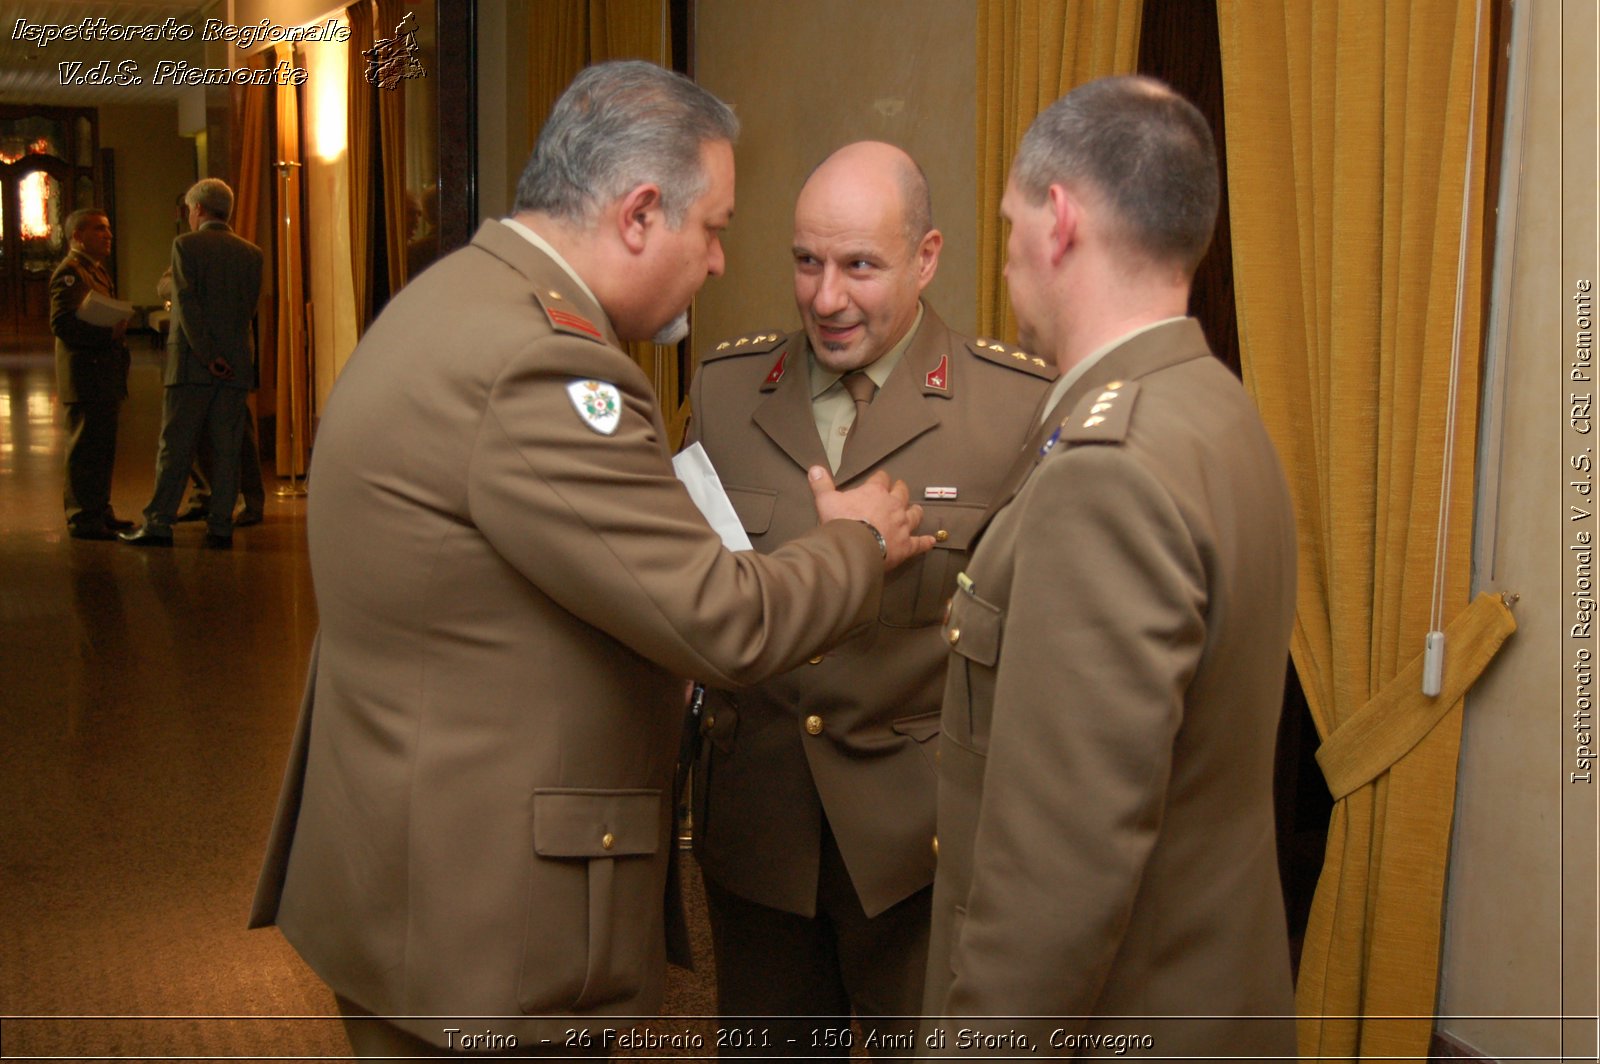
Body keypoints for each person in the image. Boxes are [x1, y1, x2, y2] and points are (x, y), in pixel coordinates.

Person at [248, 60, 934, 1059]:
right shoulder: (546, 360)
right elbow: (720, 617)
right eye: (714, 232)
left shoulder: (457, 295)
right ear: (641, 212)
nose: (713, 265)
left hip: (410, 864)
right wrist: (859, 540)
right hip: (485, 919)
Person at [919, 75, 1298, 1056]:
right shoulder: (1215, 405)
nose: (1002, 255)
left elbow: (1054, 880)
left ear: (1057, 220)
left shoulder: (1108, 476)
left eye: (1005, 222)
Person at [684, 141, 1053, 1053]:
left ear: (926, 257)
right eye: (807, 261)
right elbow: (698, 595)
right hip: (758, 836)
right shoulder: (727, 392)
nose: (826, 297)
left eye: (860, 266)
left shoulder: (1009, 409)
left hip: (917, 852)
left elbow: (1033, 655)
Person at [120, 179, 263, 550]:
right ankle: (220, 524)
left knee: (176, 446)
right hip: (235, 364)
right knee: (228, 447)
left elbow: (186, 306)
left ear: (197, 209)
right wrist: (226, 356)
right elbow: (247, 309)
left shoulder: (185, 246)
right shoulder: (252, 253)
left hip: (191, 366)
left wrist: (207, 356)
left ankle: (159, 522)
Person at [154, 265, 267, 529]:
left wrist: (194, 293)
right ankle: (206, 496)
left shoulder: (234, 254)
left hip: (224, 354)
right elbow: (164, 285)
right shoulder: (190, 252)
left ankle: (249, 502)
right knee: (196, 434)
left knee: (239, 438)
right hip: (198, 359)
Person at [50, 208, 132, 540]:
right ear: (78, 236)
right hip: (85, 375)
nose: (108, 235)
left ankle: (99, 510)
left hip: (103, 375)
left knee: (101, 447)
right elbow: (62, 323)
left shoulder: (95, 270)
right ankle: (83, 517)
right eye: (99, 230)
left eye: (108, 229)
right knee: (85, 449)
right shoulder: (69, 273)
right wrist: (107, 333)